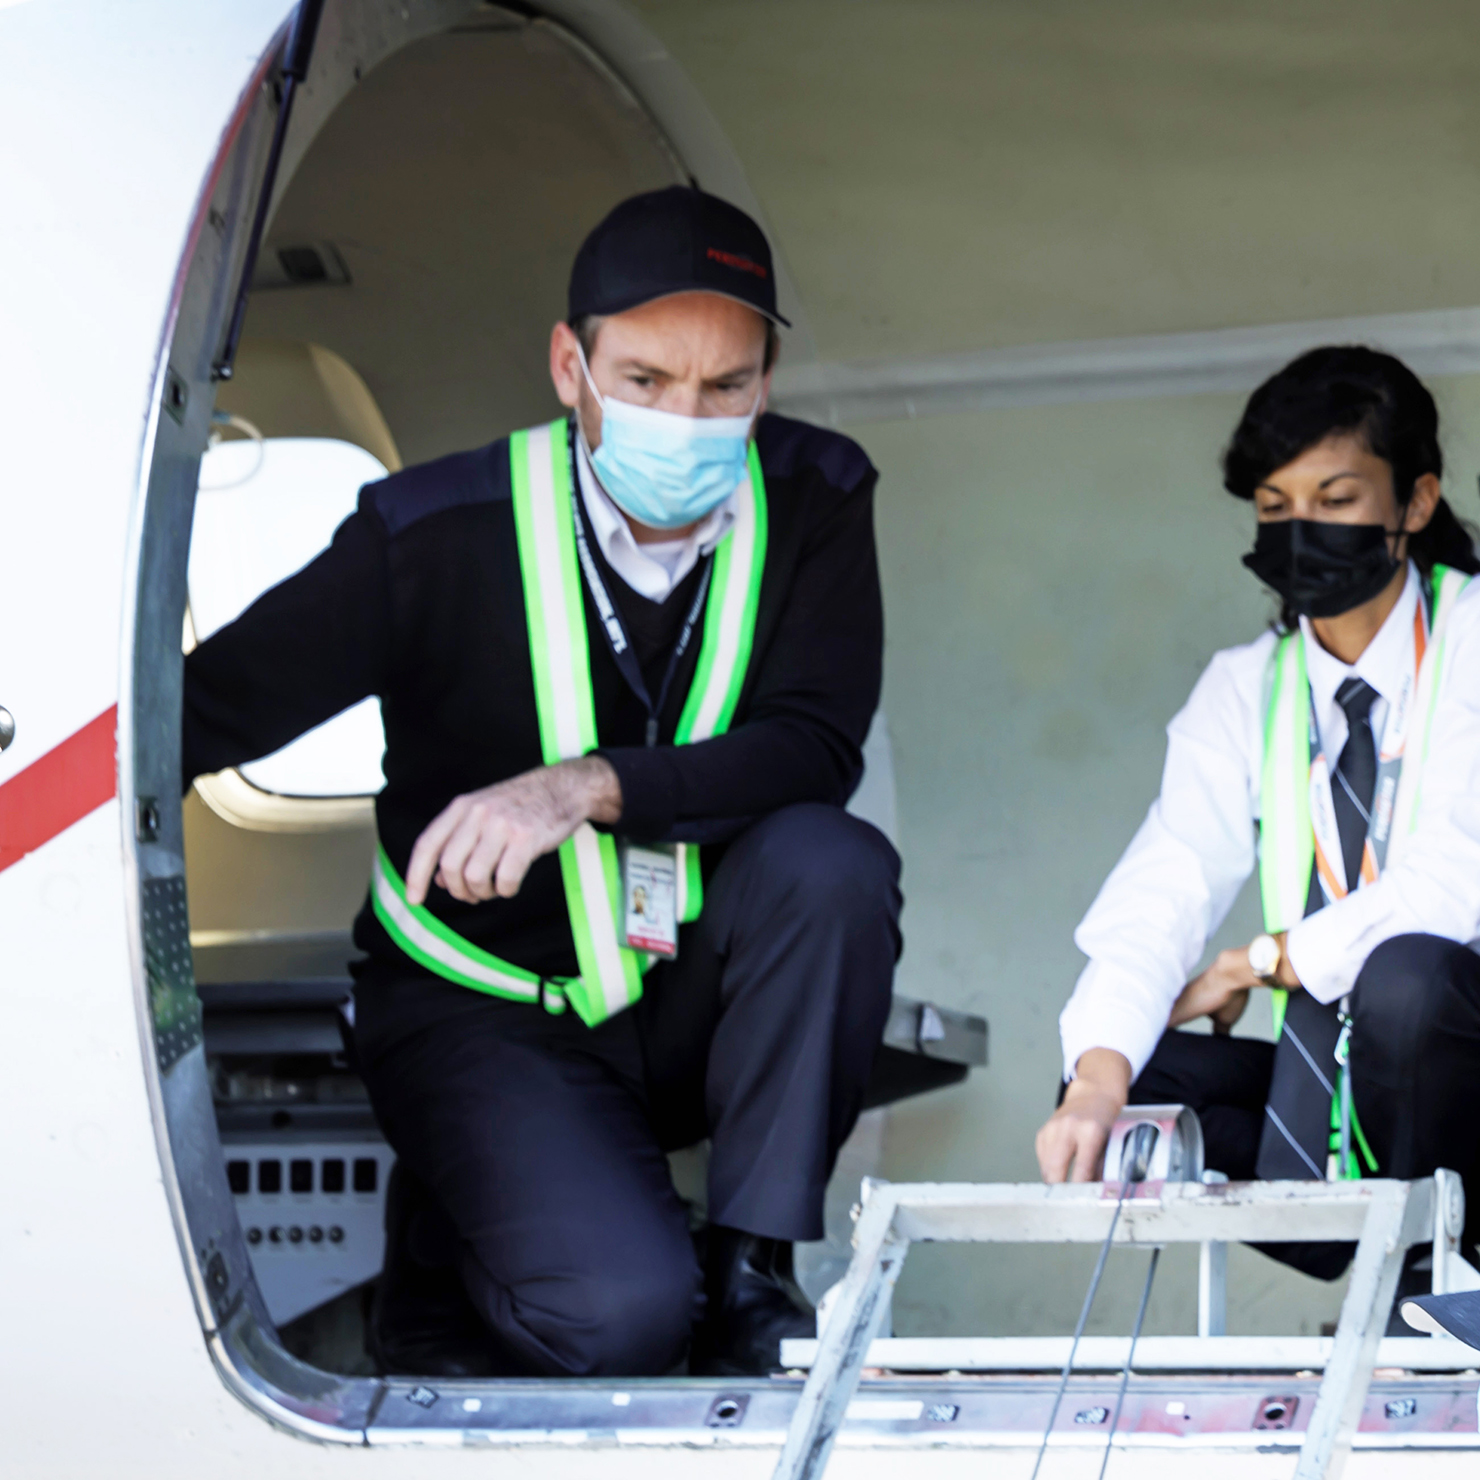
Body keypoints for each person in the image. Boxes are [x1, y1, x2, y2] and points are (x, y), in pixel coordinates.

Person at [183, 186, 901, 1376]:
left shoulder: (820, 493)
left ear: (766, 381)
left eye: (725, 386)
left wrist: (578, 787)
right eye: (645, 380)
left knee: (833, 863)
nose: (687, 418)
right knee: (621, 1322)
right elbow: (208, 709)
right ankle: (448, 1245)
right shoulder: (430, 529)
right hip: (480, 1005)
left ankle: (751, 1272)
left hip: (680, 998)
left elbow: (816, 746)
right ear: (571, 365)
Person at [1036, 345, 1480, 1282]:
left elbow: (1456, 880)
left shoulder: (1473, 635)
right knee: (1123, 1074)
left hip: (1458, 1057)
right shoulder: (1247, 686)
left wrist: (1263, 961)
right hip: (1352, 1066)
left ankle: (1433, 1280)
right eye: (1276, 508)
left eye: (1336, 499)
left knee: (1407, 981)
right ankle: (1342, 1232)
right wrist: (1095, 1077)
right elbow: (1163, 885)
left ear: (1417, 502)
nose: (1301, 530)